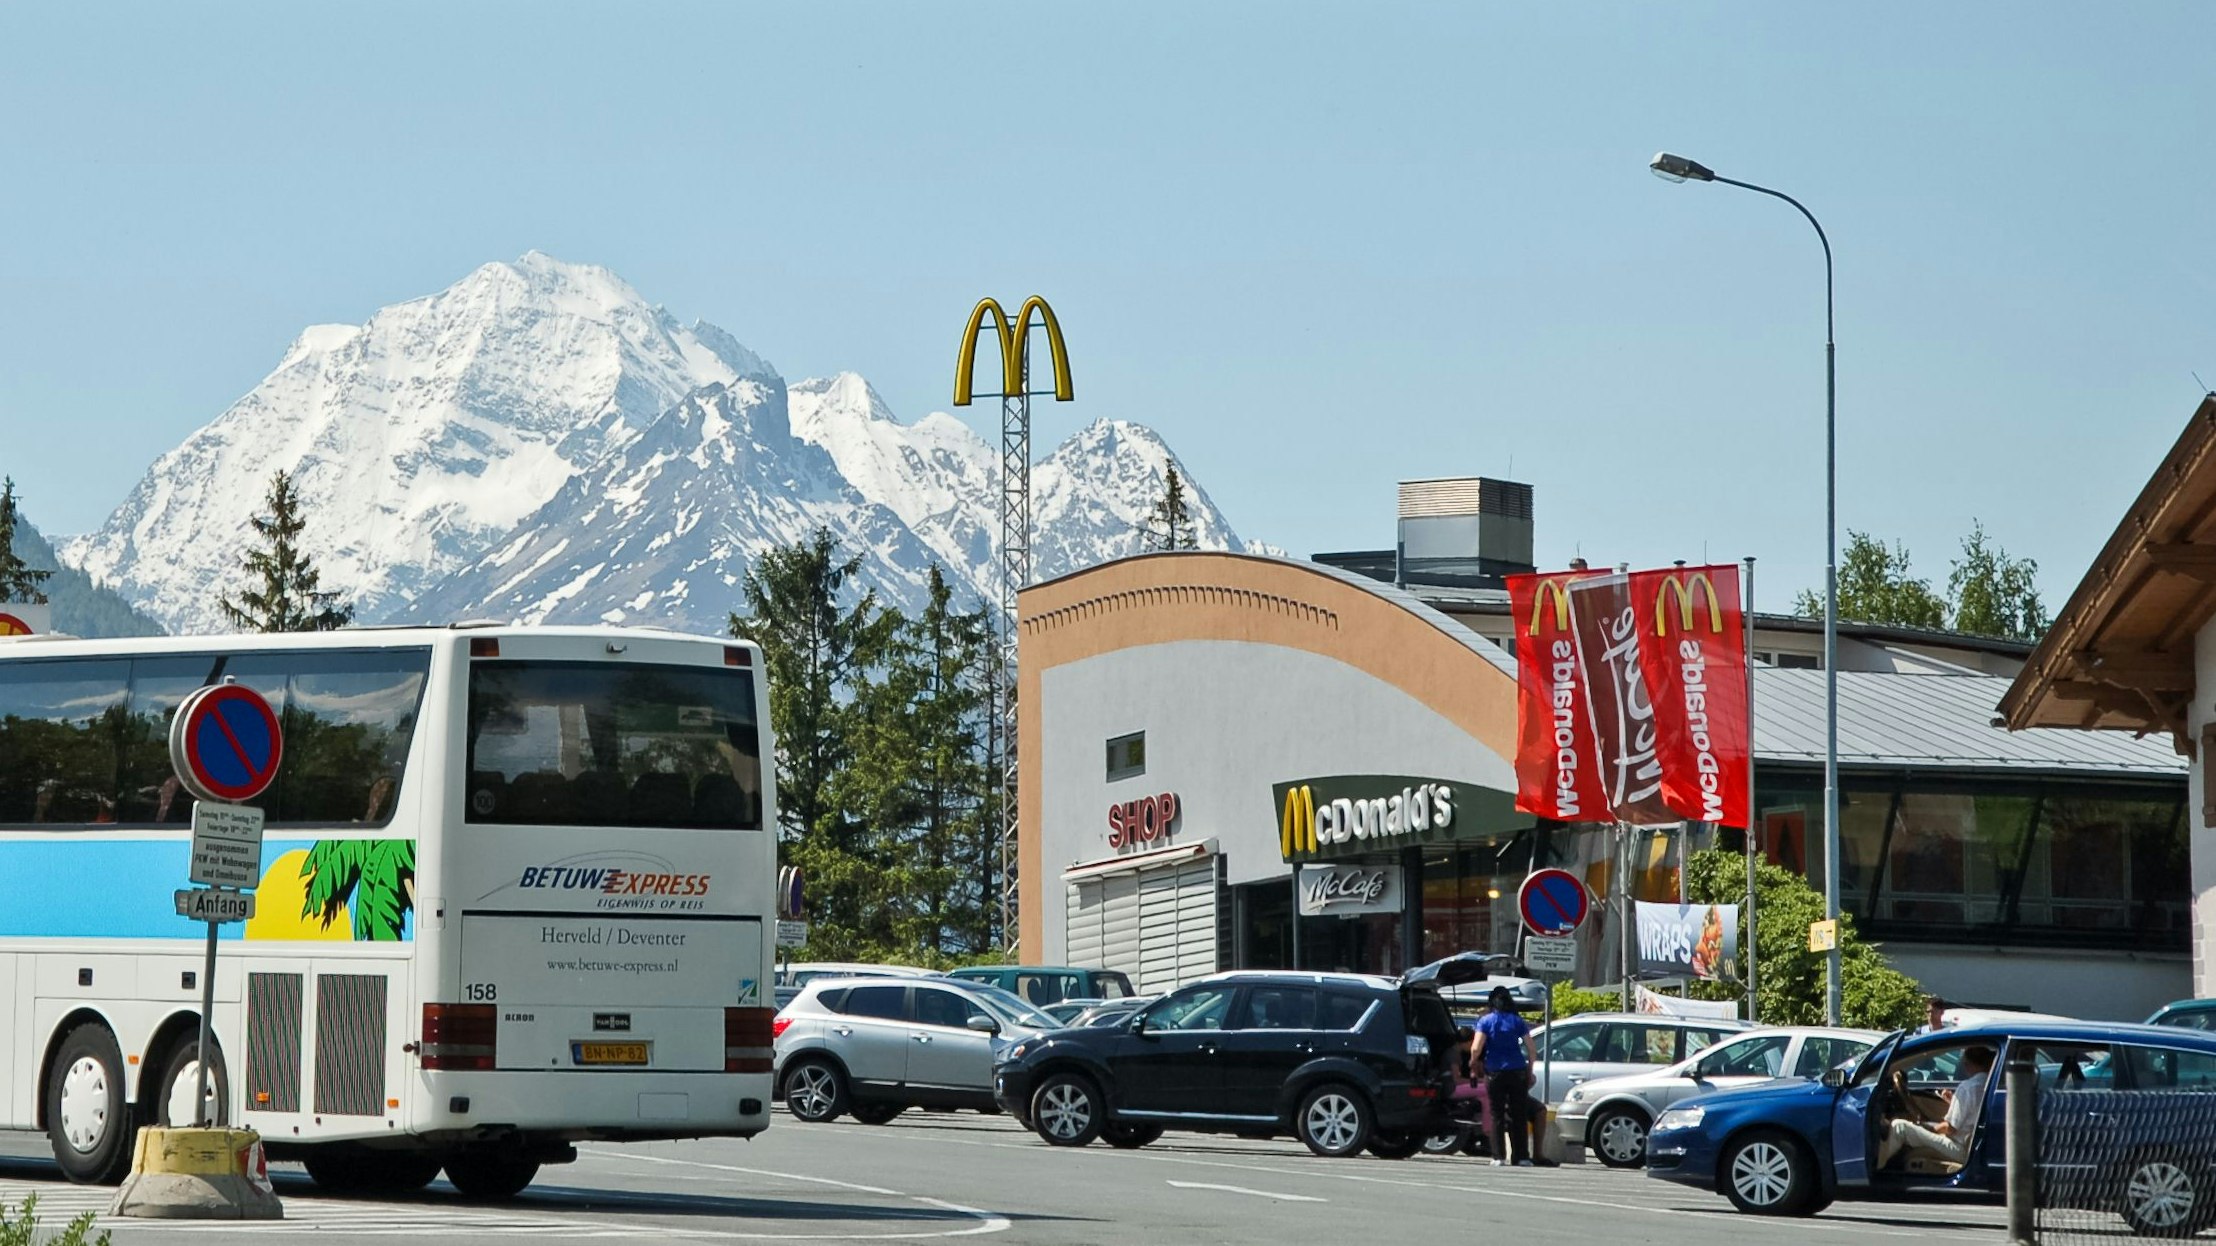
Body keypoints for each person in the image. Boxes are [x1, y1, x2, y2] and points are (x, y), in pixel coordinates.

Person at [1876, 1046, 1994, 1171]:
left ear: (1967, 1064)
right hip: (1971, 1145)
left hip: (1958, 1148)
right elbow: (1971, 1114)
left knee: (1900, 1126)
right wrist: (1952, 1101)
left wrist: (1927, 1128)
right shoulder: (1988, 1084)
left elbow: (1950, 1129)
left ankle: (1878, 1168)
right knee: (1919, 1126)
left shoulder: (1967, 1088)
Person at [1469, 986, 1538, 1167]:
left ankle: (1498, 1156)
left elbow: (1476, 1047)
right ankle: (1521, 1156)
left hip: (1495, 1072)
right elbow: (1532, 1050)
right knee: (1518, 1113)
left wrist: (1473, 1062)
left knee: (1496, 1114)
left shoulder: (1486, 1021)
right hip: (1517, 1071)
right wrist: (1529, 1070)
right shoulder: (1517, 1021)